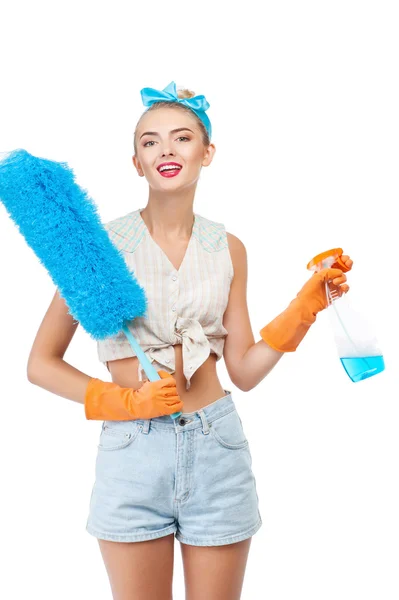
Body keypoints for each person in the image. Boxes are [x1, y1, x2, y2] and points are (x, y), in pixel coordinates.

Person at [27, 81, 353, 600]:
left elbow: (243, 370)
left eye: (182, 138)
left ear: (207, 152)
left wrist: (303, 308)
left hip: (216, 447)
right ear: (136, 161)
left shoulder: (228, 248)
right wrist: (122, 401)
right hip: (132, 454)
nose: (167, 150)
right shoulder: (97, 247)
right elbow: (41, 363)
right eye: (150, 141)